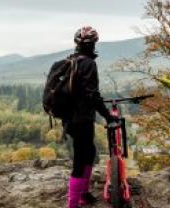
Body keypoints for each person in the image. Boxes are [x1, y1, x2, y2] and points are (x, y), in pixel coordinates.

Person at [64, 26, 114, 208]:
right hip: (82, 119)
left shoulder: (71, 61)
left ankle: (83, 194)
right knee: (81, 158)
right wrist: (107, 116)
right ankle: (73, 204)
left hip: (70, 119)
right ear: (92, 45)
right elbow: (93, 95)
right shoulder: (88, 64)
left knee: (89, 152)